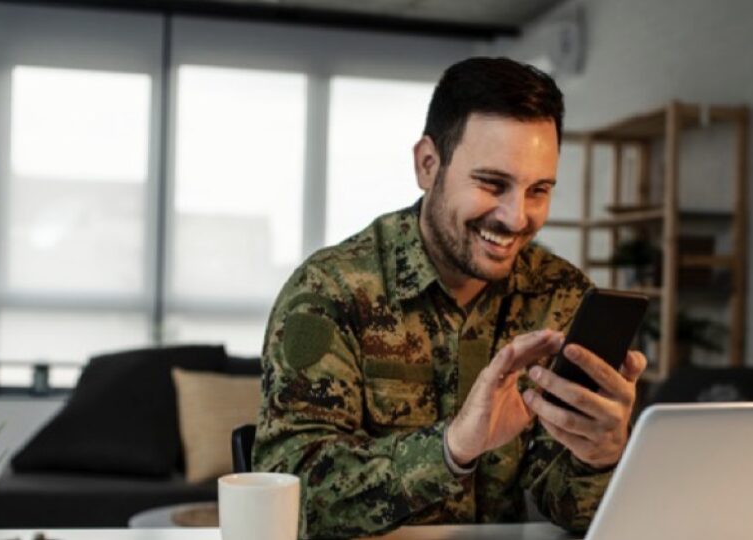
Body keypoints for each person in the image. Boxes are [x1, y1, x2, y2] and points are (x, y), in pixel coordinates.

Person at [252, 57, 647, 539]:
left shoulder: (561, 297)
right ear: (427, 164)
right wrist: (451, 448)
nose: (516, 217)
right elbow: (285, 500)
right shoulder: (327, 294)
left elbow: (568, 507)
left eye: (538, 189)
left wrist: (601, 457)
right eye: (492, 184)